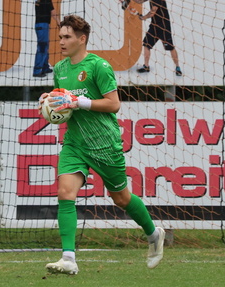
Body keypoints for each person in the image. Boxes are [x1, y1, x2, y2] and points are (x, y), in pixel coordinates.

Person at [38, 15, 165, 275]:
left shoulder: (99, 66)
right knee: (65, 193)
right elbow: (62, 102)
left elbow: (114, 104)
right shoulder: (60, 69)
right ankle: (68, 258)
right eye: (60, 37)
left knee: (121, 198)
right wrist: (49, 100)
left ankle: (154, 235)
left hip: (104, 143)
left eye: (66, 37)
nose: (61, 41)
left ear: (81, 39)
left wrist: (79, 102)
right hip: (74, 143)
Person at [125, 0, 182, 76]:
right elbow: (140, 1)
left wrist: (143, 17)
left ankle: (178, 67)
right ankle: (146, 66)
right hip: (154, 26)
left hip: (164, 27)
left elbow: (152, 13)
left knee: (170, 47)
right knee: (146, 44)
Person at [33, 0, 60, 77]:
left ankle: (45, 67)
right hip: (43, 25)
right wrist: (59, 23)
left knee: (45, 46)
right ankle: (37, 71)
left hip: (40, 25)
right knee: (43, 47)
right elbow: (53, 13)